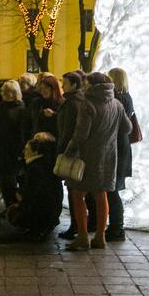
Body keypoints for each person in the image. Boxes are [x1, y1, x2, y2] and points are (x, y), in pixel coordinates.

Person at [64, 72, 132, 251]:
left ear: (92, 86)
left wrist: (69, 151)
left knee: (78, 194)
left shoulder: (88, 104)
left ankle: (83, 236)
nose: (84, 87)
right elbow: (127, 127)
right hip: (109, 156)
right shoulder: (117, 104)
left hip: (87, 156)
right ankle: (100, 236)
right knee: (101, 194)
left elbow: (81, 134)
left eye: (86, 84)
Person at [6, 133, 63, 240]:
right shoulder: (48, 163)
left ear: (36, 151)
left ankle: (34, 226)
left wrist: (20, 201)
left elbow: (31, 195)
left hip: (44, 212)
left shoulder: (34, 168)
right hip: (53, 212)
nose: (24, 153)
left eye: (27, 150)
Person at [0, 80, 31, 207]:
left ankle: (13, 206)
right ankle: (9, 206)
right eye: (3, 91)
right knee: (4, 181)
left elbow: (22, 133)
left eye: (8, 92)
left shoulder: (21, 110)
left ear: (15, 93)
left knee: (10, 180)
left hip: (13, 150)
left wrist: (21, 151)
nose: (5, 94)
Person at [106, 67, 136, 242]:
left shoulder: (117, 99)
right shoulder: (127, 97)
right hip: (122, 146)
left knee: (113, 189)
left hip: (117, 146)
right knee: (113, 188)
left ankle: (117, 228)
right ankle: (116, 226)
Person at [56, 71, 86, 240]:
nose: (62, 86)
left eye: (65, 83)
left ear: (74, 85)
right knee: (75, 191)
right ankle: (77, 225)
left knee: (74, 190)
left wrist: (62, 151)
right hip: (73, 150)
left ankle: (76, 226)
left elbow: (68, 130)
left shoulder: (73, 103)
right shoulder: (76, 100)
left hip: (70, 151)